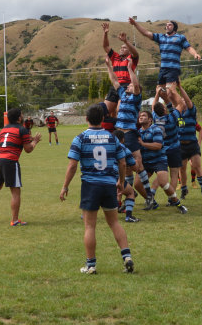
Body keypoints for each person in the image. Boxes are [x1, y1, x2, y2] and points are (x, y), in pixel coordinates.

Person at [61, 104, 134, 274]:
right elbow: (122, 162)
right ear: (103, 119)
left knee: (90, 226)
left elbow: (72, 165)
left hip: (90, 185)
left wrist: (65, 186)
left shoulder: (80, 138)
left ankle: (91, 265)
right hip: (109, 184)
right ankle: (127, 257)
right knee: (114, 222)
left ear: (86, 119)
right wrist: (121, 182)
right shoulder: (112, 138)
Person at [0, 108, 42, 226]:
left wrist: (29, 139)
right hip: (10, 161)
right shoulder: (22, 129)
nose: (23, 116)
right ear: (19, 118)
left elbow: (11, 141)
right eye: (22, 114)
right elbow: (28, 149)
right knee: (16, 191)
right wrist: (35, 141)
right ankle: (15, 220)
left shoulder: (3, 129)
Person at [106, 57, 154, 206]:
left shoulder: (136, 98)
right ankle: (129, 193)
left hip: (130, 133)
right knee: (123, 166)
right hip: (118, 134)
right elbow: (114, 81)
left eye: (131, 86)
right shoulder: (123, 94)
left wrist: (129, 69)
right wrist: (108, 66)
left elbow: (137, 85)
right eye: (129, 86)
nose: (129, 86)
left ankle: (149, 195)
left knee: (137, 165)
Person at [128, 17, 200, 88]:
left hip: (173, 68)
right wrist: (135, 24)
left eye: (170, 25)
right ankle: (171, 100)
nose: (167, 26)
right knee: (160, 91)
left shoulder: (180, 37)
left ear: (174, 28)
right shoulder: (161, 37)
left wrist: (195, 54)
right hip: (163, 69)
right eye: (166, 25)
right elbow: (146, 33)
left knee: (170, 90)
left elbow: (189, 48)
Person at [138, 110, 187, 214]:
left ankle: (178, 203)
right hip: (146, 163)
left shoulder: (155, 129)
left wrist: (143, 144)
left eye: (143, 115)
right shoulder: (138, 132)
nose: (140, 117)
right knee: (137, 184)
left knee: (164, 183)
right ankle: (153, 203)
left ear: (150, 120)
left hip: (158, 160)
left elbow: (158, 145)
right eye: (140, 116)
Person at [166, 83, 202, 201]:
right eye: (182, 100)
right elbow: (170, 98)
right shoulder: (177, 114)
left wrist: (179, 87)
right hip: (180, 146)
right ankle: (184, 189)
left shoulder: (191, 112)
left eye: (184, 100)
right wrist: (169, 88)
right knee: (182, 169)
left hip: (192, 144)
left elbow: (189, 102)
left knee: (196, 166)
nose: (183, 101)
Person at [151, 86, 183, 203]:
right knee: (174, 174)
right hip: (174, 148)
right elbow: (181, 106)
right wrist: (170, 96)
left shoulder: (154, 118)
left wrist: (157, 94)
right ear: (165, 110)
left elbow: (154, 106)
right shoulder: (172, 118)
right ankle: (172, 198)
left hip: (161, 150)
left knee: (161, 174)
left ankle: (152, 194)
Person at [101, 22, 140, 116]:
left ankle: (123, 128)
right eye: (121, 47)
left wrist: (126, 41)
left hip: (127, 87)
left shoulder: (131, 58)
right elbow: (106, 46)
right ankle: (110, 129)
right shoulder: (115, 57)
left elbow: (136, 53)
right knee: (104, 112)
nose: (121, 49)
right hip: (115, 86)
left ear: (129, 50)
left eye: (124, 48)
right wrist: (105, 33)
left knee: (120, 110)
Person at [113, 129, 139, 222]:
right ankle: (128, 216)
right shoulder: (124, 148)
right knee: (131, 193)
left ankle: (86, 214)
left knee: (99, 194)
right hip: (115, 175)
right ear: (123, 139)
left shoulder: (106, 146)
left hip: (100, 175)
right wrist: (137, 162)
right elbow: (135, 168)